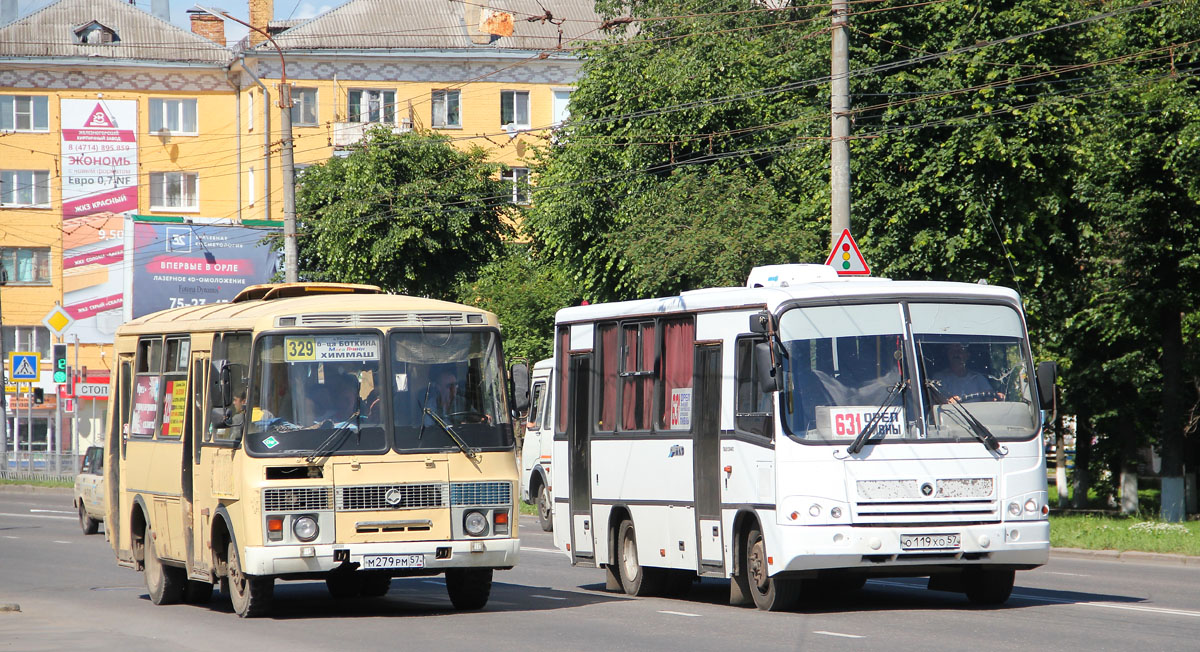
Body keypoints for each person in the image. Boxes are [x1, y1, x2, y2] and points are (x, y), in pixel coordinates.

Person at [931, 343, 997, 402]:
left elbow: (990, 396)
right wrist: (948, 401)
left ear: (967, 355)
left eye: (959, 351)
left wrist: (996, 396)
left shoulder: (978, 378)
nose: (956, 354)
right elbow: (938, 398)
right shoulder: (939, 378)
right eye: (952, 351)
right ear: (948, 355)